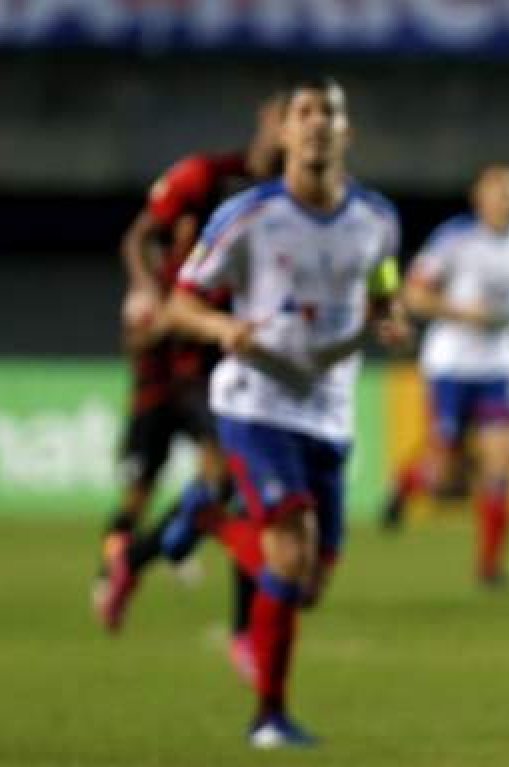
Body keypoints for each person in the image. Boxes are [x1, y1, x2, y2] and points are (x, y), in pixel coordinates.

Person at [167, 76, 408, 747]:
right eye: (304, 113)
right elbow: (180, 303)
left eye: (329, 113)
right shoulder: (247, 216)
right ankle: (267, 718)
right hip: (257, 399)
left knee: (307, 583)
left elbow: (384, 285)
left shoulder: (377, 220)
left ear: (345, 131)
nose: (317, 125)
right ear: (285, 131)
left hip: (328, 407)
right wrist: (221, 332)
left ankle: (212, 518)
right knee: (289, 542)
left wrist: (391, 317)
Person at [94, 94, 285, 676]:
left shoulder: (302, 205)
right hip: (181, 359)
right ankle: (146, 565)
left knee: (236, 491)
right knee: (175, 483)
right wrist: (147, 292)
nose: (311, 130)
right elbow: (140, 235)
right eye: (297, 115)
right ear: (271, 118)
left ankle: (150, 558)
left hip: (242, 359)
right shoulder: (207, 177)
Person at [380, 164, 509, 586]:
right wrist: (461, 312)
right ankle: (407, 482)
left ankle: (489, 568)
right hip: (452, 364)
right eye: (498, 192)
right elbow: (413, 294)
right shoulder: (454, 239)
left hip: (503, 365)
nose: (505, 201)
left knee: (501, 467)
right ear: (479, 197)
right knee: (446, 476)